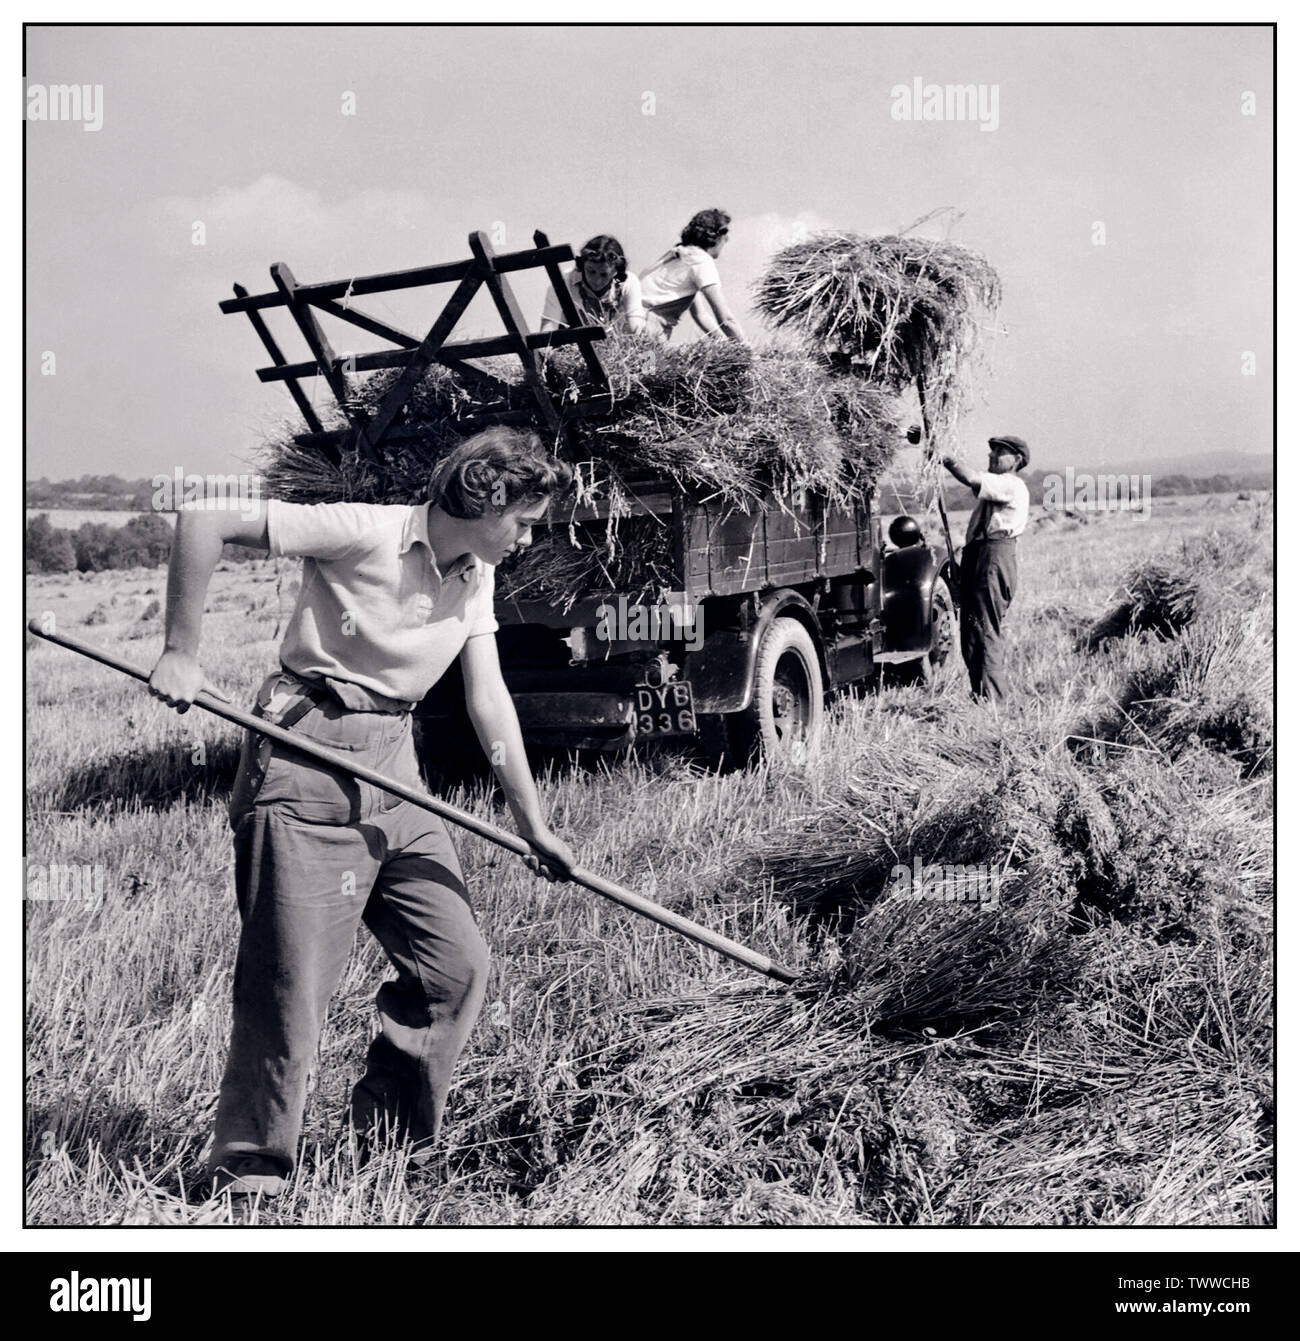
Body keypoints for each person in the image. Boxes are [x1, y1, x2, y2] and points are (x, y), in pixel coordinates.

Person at [147, 427, 577, 1200]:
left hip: (395, 768)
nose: (529, 534)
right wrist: (181, 647)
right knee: (291, 987)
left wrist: (532, 824)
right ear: (483, 497)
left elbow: (488, 701)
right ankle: (251, 1172)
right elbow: (203, 516)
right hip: (308, 754)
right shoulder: (365, 530)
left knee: (456, 967)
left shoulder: (473, 578)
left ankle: (387, 1144)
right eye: (523, 517)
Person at [941, 435, 1031, 703]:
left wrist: (946, 458)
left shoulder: (1011, 484)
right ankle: (980, 696)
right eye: (990, 452)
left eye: (1000, 453)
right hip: (979, 556)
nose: (992, 456)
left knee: (985, 631)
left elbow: (971, 478)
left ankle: (994, 701)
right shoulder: (998, 487)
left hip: (993, 558)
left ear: (1016, 460)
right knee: (971, 631)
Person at [639, 208, 748, 343]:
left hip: (627, 320)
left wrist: (726, 344)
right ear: (716, 237)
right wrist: (749, 353)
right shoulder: (701, 261)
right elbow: (726, 320)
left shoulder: (682, 254)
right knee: (656, 364)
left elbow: (701, 315)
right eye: (725, 235)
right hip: (646, 329)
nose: (727, 240)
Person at [539, 234, 645, 334]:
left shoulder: (628, 283)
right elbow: (549, 328)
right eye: (591, 271)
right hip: (570, 345)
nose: (596, 280)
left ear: (615, 272)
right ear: (582, 264)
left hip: (616, 346)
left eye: (604, 275)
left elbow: (636, 327)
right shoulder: (563, 283)